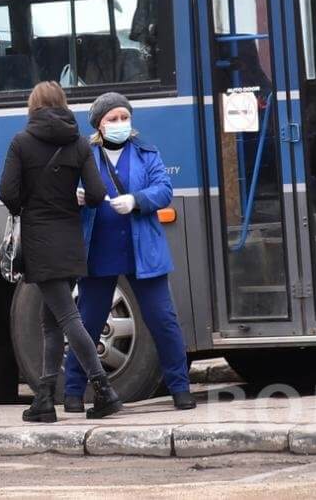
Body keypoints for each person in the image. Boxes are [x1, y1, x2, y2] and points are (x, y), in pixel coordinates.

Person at [0, 82, 124, 422]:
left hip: (40, 241)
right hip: (70, 240)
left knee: (67, 317)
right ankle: (44, 397)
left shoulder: (21, 143)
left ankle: (103, 389)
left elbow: (6, 192)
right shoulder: (79, 143)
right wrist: (71, 197)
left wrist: (29, 202)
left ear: (33, 105)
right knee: (51, 321)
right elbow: (97, 194)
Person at [63, 92, 195, 413]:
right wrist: (74, 197)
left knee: (162, 320)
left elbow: (163, 190)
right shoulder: (85, 156)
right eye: (113, 119)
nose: (120, 123)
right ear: (99, 125)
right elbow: (62, 190)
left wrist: (137, 200)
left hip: (142, 253)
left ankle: (180, 388)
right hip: (99, 253)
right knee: (88, 323)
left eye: (124, 117)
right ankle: (72, 392)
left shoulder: (146, 153)